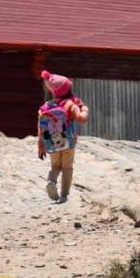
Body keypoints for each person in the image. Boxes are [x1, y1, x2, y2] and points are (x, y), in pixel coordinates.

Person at [37, 70, 89, 203]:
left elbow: (41, 129)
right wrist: (84, 109)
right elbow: (82, 120)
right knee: (67, 168)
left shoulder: (44, 107)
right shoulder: (70, 104)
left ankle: (51, 181)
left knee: (55, 167)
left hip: (51, 142)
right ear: (67, 89)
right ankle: (64, 195)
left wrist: (41, 146)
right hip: (68, 143)